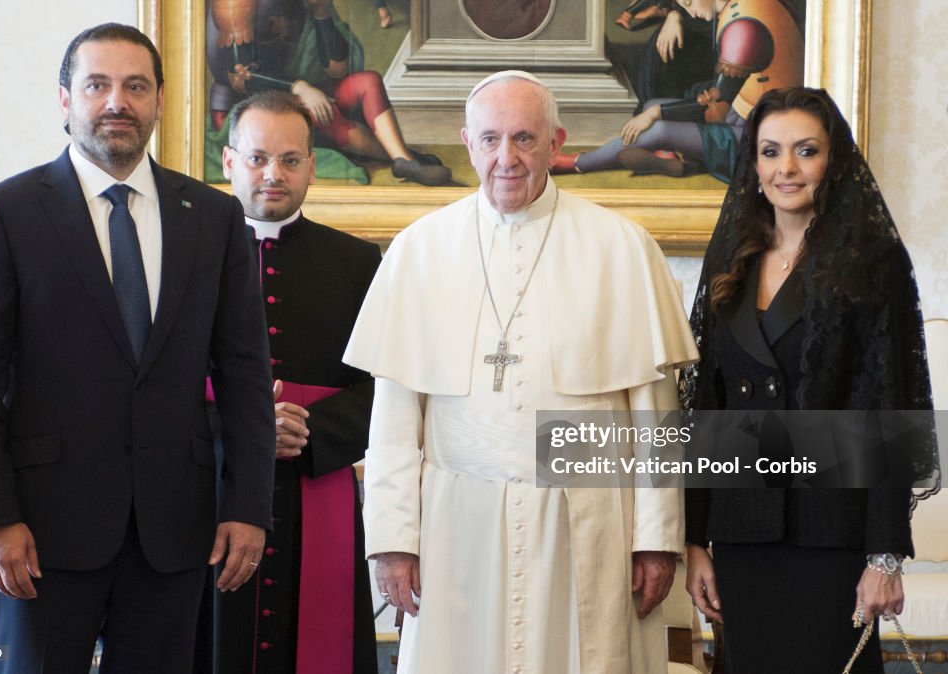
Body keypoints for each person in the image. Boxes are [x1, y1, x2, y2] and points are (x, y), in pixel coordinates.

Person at [0, 23, 275, 674]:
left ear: (157, 100)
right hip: (38, 534)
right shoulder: (4, 213)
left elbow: (244, 376)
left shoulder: (211, 218)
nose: (117, 101)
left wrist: (247, 507)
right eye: (97, 85)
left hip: (174, 533)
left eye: (135, 86)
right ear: (65, 99)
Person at [343, 70, 699, 674]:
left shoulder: (622, 247)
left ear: (556, 143)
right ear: (467, 142)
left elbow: (655, 414)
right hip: (458, 525)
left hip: (588, 523)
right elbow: (396, 418)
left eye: (525, 139)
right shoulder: (419, 250)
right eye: (490, 140)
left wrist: (656, 539)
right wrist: (394, 541)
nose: (506, 158)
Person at [680, 86, 940, 673]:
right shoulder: (730, 258)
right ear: (754, 162)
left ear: (835, 160)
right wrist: (695, 539)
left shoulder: (874, 261)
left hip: (834, 535)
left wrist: (885, 555)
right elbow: (706, 409)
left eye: (806, 151)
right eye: (770, 152)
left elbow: (890, 407)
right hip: (743, 534)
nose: (786, 169)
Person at [201, 90, 381, 674]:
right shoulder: (186, 255)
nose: (273, 174)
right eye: (256, 158)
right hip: (207, 495)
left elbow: (389, 389)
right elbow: (149, 387)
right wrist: (246, 429)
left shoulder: (357, 262)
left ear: (312, 163)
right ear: (229, 162)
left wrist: (311, 430)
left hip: (316, 487)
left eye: (291, 159)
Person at [554, 0, 803, 182]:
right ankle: (676, 159)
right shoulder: (735, 7)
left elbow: (715, 109)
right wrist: (656, 111)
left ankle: (577, 163)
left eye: (687, 1)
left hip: (765, 143)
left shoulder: (744, 28)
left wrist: (656, 116)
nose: (684, 7)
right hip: (747, 115)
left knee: (659, 124)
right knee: (653, 106)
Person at [207, 0, 450, 186]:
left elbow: (337, 68)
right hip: (248, 106)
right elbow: (238, 76)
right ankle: (404, 158)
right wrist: (300, 87)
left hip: (306, 91)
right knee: (322, 110)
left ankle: (402, 158)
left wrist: (321, 13)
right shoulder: (236, 5)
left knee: (368, 82)